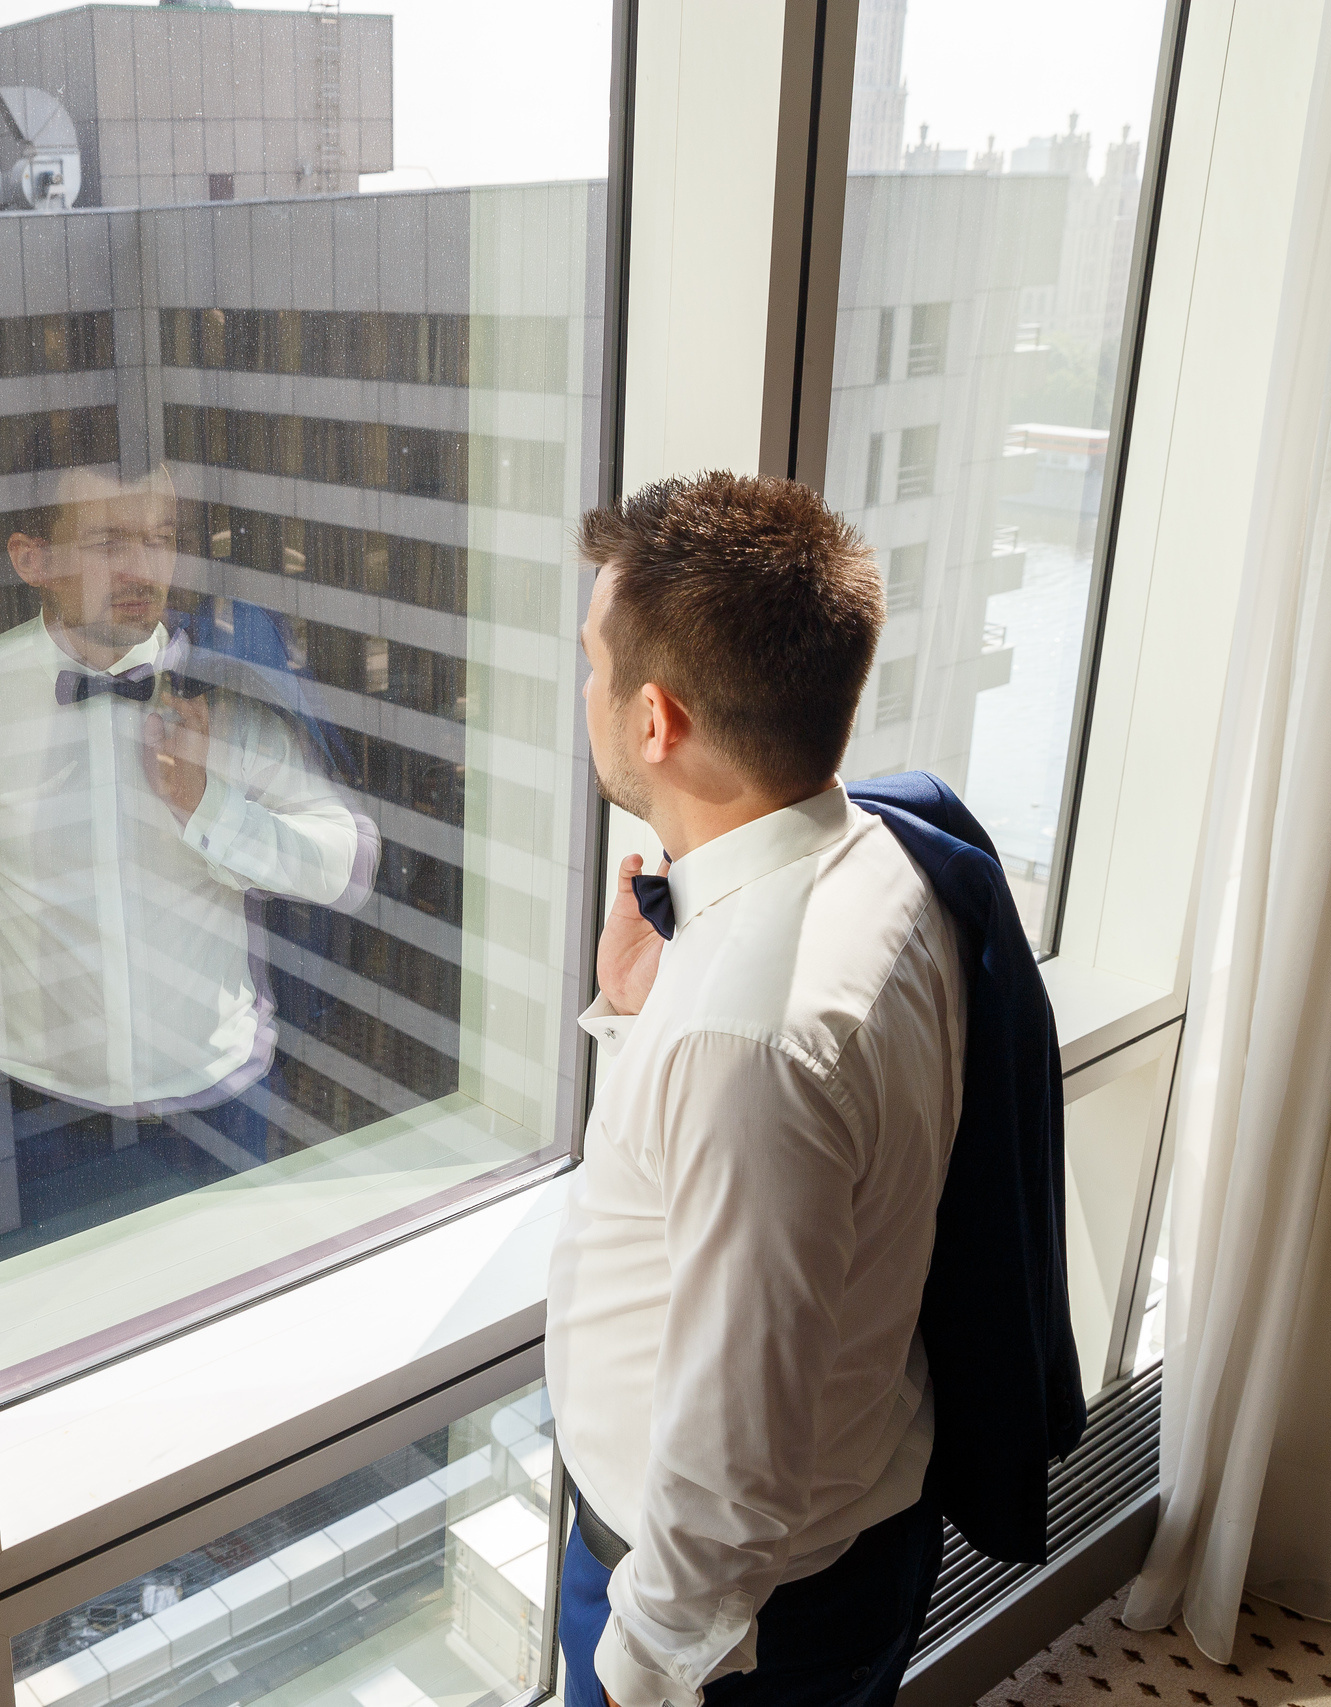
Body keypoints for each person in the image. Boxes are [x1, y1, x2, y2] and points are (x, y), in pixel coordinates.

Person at [550, 472, 973, 1707]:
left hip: (727, 1626)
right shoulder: (888, 858)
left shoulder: (747, 1041)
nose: (583, 690)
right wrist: (638, 1020)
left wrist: (637, 1670)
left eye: (593, 665)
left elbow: (736, 1453)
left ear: (655, 722)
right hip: (848, 1527)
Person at [0, 465, 367, 1246]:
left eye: (160, 540)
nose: (142, 569)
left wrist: (210, 808)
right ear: (33, 560)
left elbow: (342, 864)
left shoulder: (227, 693)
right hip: (34, 1122)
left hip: (223, 1109)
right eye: (108, 542)